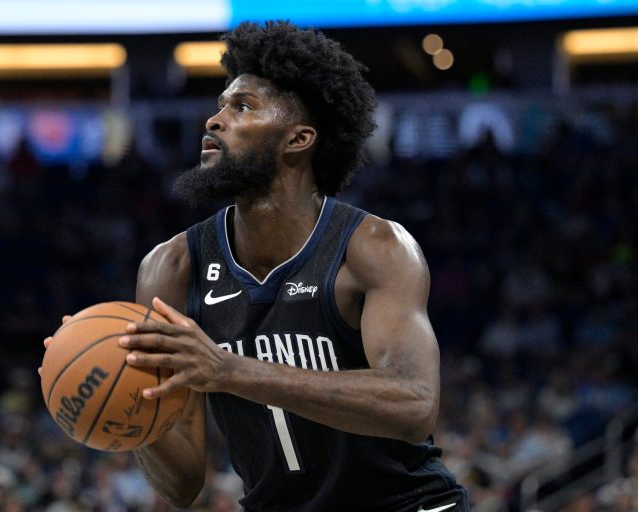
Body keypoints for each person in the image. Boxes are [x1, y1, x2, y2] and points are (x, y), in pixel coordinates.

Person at [44, 20, 468, 512]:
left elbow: (414, 404)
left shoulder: (373, 247)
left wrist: (229, 370)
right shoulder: (171, 266)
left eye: (242, 106)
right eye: (220, 105)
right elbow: (182, 485)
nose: (214, 120)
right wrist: (117, 394)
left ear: (298, 139)